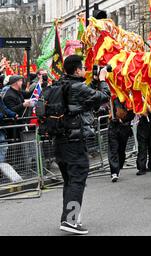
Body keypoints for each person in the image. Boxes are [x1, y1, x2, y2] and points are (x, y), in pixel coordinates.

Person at [55, 55, 111, 235]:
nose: (85, 70)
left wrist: (94, 82)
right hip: (74, 142)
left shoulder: (59, 85)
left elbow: (86, 101)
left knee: (70, 181)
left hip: (59, 141)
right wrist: (102, 80)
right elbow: (104, 97)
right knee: (77, 180)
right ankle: (70, 220)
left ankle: (70, 216)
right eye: (83, 68)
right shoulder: (76, 87)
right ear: (77, 70)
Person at [107, 98, 135, 182]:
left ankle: (119, 165)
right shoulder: (112, 98)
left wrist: (123, 119)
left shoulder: (128, 98)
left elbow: (132, 114)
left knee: (121, 149)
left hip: (124, 128)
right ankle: (114, 172)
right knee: (113, 149)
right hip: (113, 127)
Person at [136, 110, 151, 176]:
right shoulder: (139, 99)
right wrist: (141, 112)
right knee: (142, 146)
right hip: (143, 122)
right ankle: (141, 167)